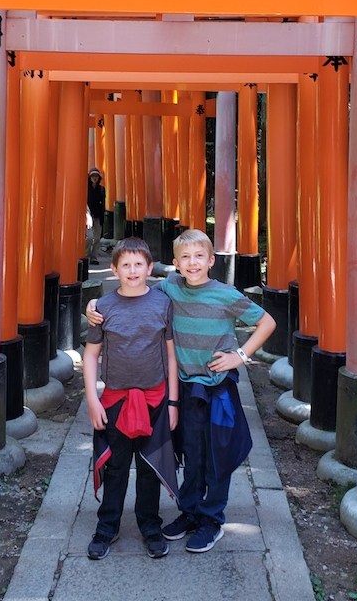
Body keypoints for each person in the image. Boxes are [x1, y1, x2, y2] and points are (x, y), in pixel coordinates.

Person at [86, 228, 276, 554]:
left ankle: (211, 520)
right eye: (185, 257)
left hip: (216, 387)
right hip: (185, 387)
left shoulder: (226, 295)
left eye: (199, 256)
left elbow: (267, 322)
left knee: (216, 456)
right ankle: (189, 511)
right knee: (189, 453)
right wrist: (93, 305)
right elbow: (134, 290)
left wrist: (241, 356)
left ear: (212, 260)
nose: (192, 263)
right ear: (175, 264)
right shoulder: (170, 288)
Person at [83, 236, 179, 561]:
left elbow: (171, 356)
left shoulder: (163, 304)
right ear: (114, 270)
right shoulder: (102, 308)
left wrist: (173, 402)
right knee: (116, 466)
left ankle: (150, 526)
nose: (133, 270)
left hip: (155, 399)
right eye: (126, 264)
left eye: (139, 264)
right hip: (115, 400)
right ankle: (106, 527)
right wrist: (92, 399)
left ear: (150, 268)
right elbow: (91, 355)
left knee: (150, 466)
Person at [86, 167, 106, 264]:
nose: (94, 178)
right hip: (87, 214)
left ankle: (94, 257)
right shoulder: (86, 189)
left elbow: (103, 204)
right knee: (89, 237)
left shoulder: (101, 189)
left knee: (97, 238)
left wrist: (103, 217)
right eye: (93, 176)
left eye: (96, 176)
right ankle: (86, 255)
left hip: (98, 215)